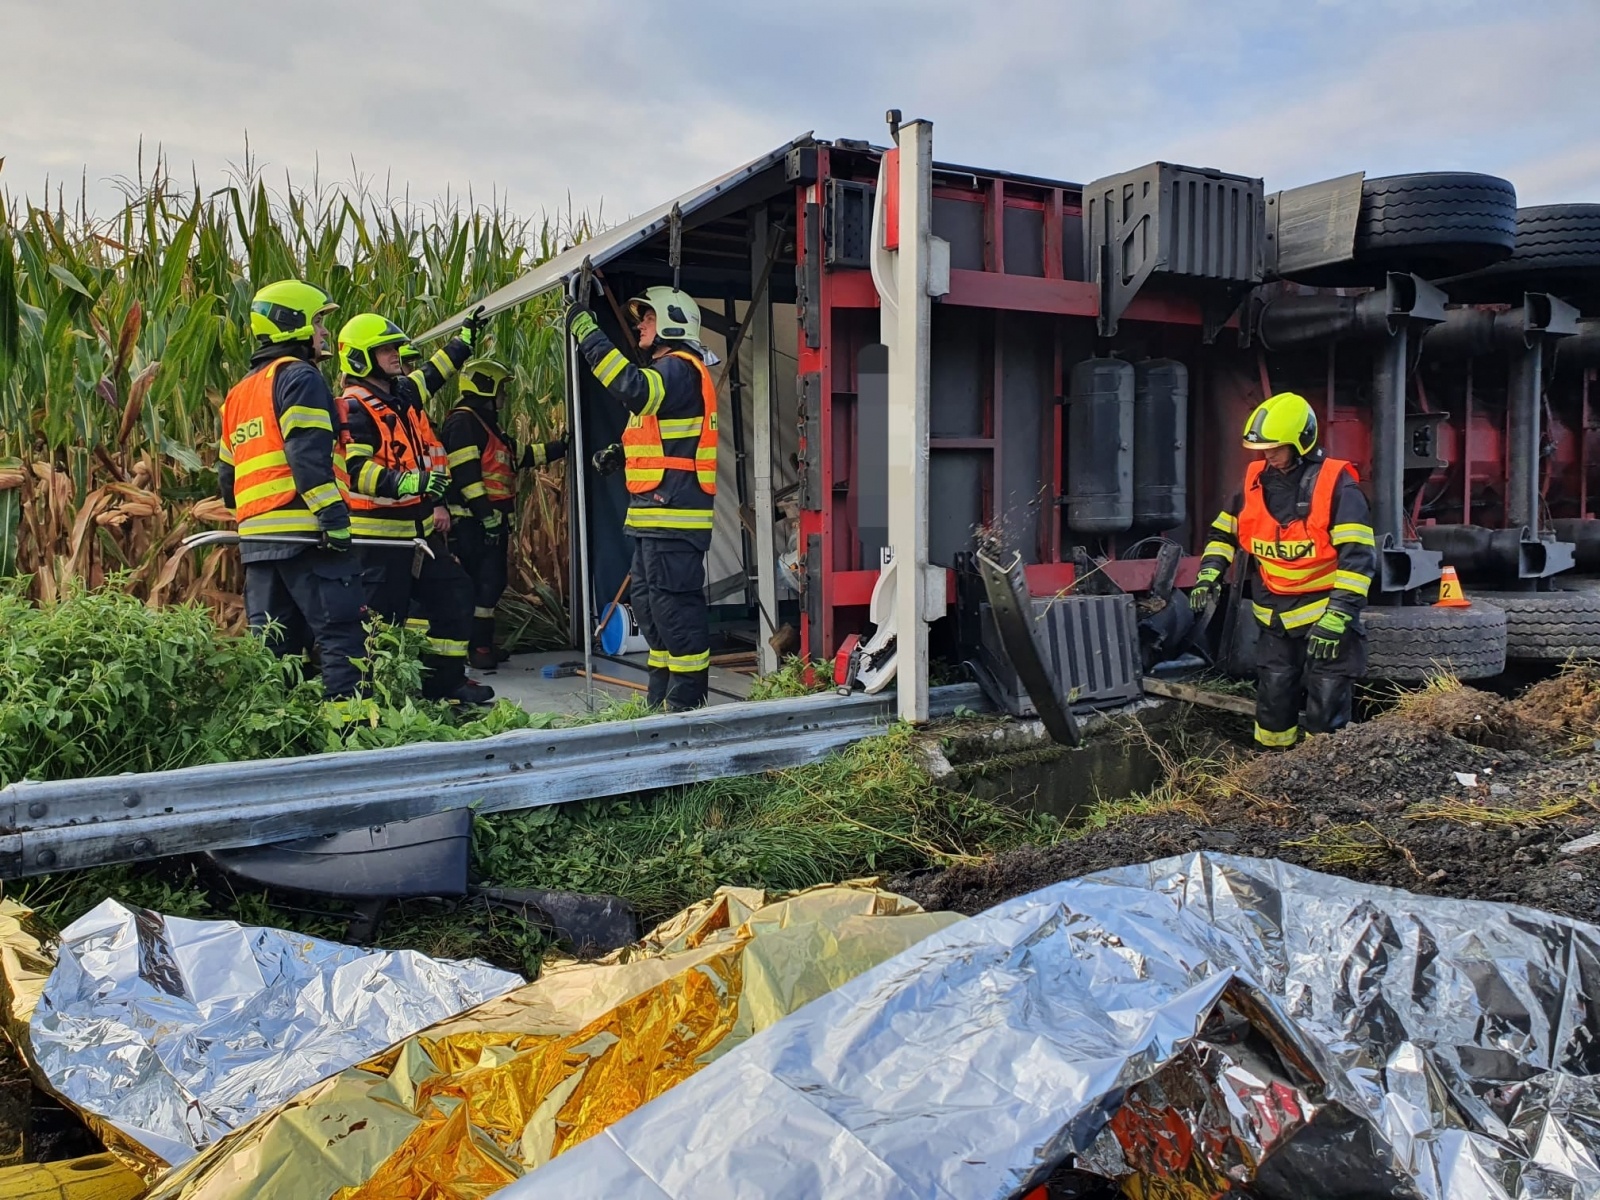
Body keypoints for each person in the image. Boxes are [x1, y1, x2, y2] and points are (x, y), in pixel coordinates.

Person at [1189, 392, 1377, 748]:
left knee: (1327, 703)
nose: (1267, 455)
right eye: (1263, 449)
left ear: (1300, 442)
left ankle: (1328, 775)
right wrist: (1210, 572)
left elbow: (1358, 559)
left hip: (1326, 619)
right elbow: (1222, 534)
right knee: (1273, 700)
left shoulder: (1337, 484)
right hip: (1274, 618)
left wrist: (1338, 616)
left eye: (1276, 448)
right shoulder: (1253, 482)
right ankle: (1271, 771)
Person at [566, 287, 717, 711]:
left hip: (674, 517)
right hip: (654, 517)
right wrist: (621, 452)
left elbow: (631, 387)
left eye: (647, 318)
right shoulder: (670, 373)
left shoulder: (678, 369)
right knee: (651, 609)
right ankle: (658, 701)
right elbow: (660, 435)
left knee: (674, 609)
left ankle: (686, 704)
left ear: (672, 321)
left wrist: (587, 332)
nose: (640, 326)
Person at [335, 309, 494, 705]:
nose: (395, 354)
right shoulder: (354, 407)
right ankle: (370, 698)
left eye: (394, 348)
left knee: (456, 595)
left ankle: (445, 683)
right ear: (360, 357)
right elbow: (357, 471)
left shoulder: (400, 395)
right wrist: (408, 483)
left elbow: (433, 373)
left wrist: (465, 340)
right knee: (378, 622)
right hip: (378, 540)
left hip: (418, 535)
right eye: (385, 349)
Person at [218, 280, 365, 701]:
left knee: (276, 652)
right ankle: (352, 739)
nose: (324, 333)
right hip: (306, 535)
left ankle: (286, 737)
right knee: (342, 641)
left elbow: (227, 484)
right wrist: (334, 518)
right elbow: (308, 455)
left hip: (260, 544)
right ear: (292, 322)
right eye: (318, 322)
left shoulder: (238, 395)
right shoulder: (300, 376)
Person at [441, 358, 568, 669]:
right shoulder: (463, 423)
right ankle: (475, 649)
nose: (504, 398)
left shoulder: (488, 426)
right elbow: (466, 476)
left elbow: (520, 454)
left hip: (490, 524)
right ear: (487, 387)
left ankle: (482, 645)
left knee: (492, 583)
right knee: (481, 584)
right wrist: (486, 517)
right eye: (501, 390)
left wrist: (561, 447)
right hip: (472, 524)